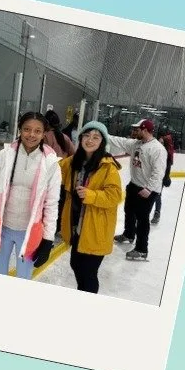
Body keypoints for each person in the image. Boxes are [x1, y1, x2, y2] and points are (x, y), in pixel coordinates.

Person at [0, 111, 61, 279]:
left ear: (44, 133)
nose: (31, 134)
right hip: (3, 228)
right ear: (19, 130)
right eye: (27, 129)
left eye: (37, 131)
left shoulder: (51, 163)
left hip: (30, 232)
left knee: (24, 278)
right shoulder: (4, 157)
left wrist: (47, 240)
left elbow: (51, 204)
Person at [57, 121, 124, 295]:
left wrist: (92, 195)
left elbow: (115, 196)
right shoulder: (72, 162)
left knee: (88, 274)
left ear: (102, 142)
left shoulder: (108, 167)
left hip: (95, 228)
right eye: (86, 135)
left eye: (96, 137)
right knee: (76, 264)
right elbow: (52, 170)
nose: (90, 140)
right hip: (77, 227)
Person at [106, 119, 166, 262]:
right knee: (129, 211)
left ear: (144, 130)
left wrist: (149, 189)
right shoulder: (136, 144)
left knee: (142, 219)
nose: (134, 132)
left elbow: (158, 172)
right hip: (134, 185)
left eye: (137, 129)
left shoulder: (157, 149)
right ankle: (128, 235)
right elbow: (119, 141)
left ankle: (141, 250)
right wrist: (101, 133)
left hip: (148, 189)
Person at [152, 130, 175, 226]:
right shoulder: (157, 150)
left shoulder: (166, 154)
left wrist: (165, 178)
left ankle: (157, 213)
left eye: (161, 142)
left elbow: (168, 168)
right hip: (152, 175)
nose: (159, 143)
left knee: (157, 195)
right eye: (159, 141)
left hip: (160, 178)